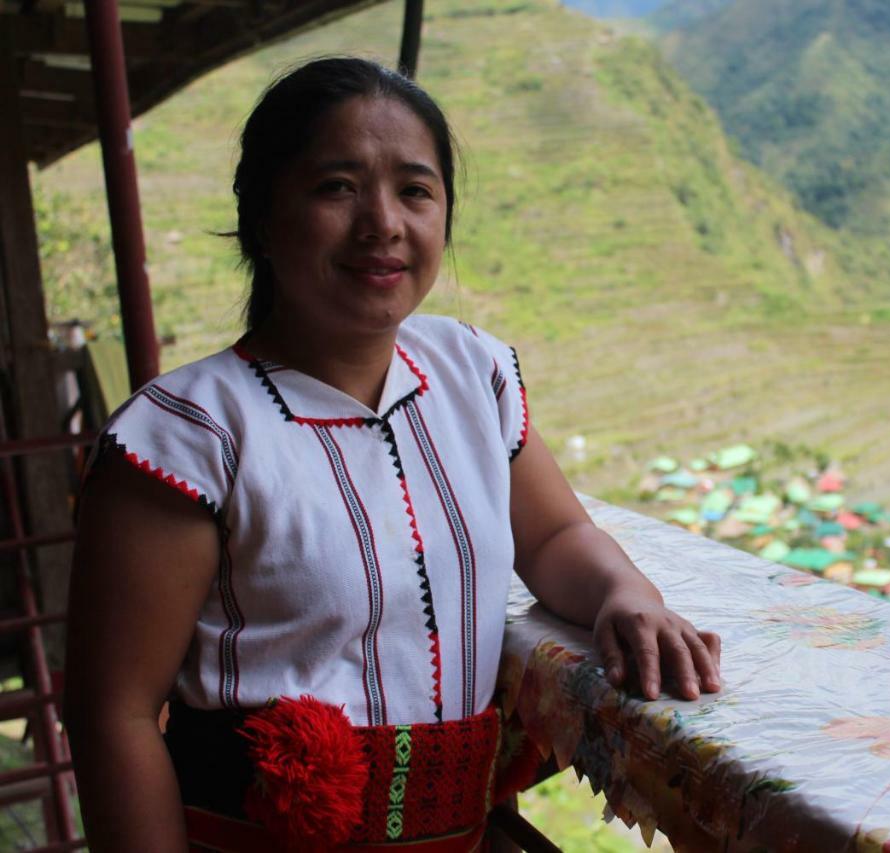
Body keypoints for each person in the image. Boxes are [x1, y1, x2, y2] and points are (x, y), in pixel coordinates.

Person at [64, 57, 721, 852]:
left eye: (414, 190)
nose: (383, 223)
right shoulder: (189, 436)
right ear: (261, 218)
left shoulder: (470, 374)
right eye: (336, 187)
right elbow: (116, 716)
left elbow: (551, 539)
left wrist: (626, 593)